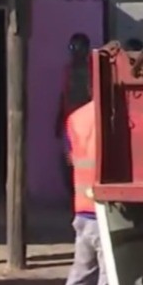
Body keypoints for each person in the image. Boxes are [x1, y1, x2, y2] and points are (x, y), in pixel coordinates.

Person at [60, 101, 110, 285]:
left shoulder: (75, 118)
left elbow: (69, 158)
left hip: (82, 207)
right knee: (108, 280)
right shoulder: (113, 115)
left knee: (81, 273)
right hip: (106, 210)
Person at [54, 33, 93, 199]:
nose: (75, 51)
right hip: (70, 123)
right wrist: (58, 119)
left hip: (89, 125)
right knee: (67, 161)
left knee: (87, 161)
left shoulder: (93, 69)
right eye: (72, 47)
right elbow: (64, 95)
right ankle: (73, 195)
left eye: (79, 47)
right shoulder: (67, 70)